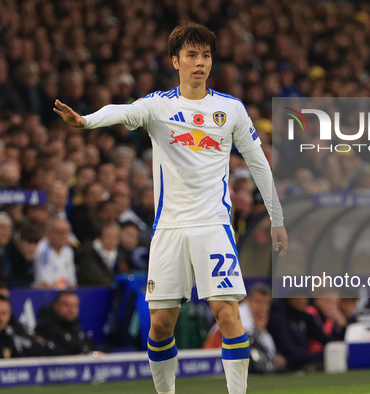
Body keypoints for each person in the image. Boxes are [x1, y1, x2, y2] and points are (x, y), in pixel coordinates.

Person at [53, 22, 288, 394]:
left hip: (213, 225)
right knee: (160, 325)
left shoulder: (230, 110)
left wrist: (276, 217)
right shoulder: (158, 107)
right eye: (192, 55)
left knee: (227, 313)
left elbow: (258, 163)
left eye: (206, 56)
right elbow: (122, 111)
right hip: (169, 230)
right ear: (175, 61)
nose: (200, 63)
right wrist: (86, 122)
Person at [34, 291, 98, 355]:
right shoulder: (46, 328)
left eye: (74, 306)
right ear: (56, 306)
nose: (71, 310)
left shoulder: (75, 327)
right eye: (66, 305)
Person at [33, 218, 77, 289]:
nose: (65, 236)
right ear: (50, 233)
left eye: (67, 232)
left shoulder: (68, 251)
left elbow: (72, 282)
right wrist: (64, 284)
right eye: (61, 232)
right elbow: (46, 284)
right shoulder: (42, 250)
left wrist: (66, 284)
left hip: (64, 292)